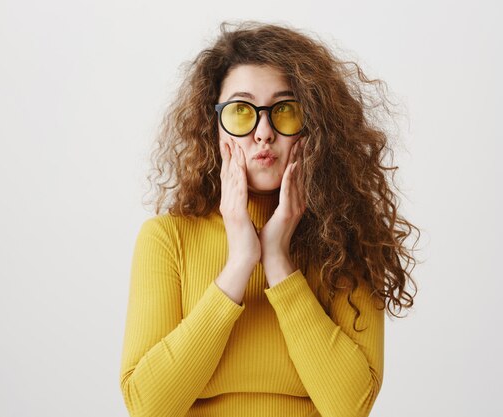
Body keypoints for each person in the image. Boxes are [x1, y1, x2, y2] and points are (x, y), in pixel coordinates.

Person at [119, 21, 419, 417]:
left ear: (315, 125)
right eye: (242, 111)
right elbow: (147, 405)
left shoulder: (351, 238)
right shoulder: (166, 237)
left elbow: (350, 407)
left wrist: (278, 261)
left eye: (285, 111)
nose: (263, 132)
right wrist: (241, 261)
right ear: (215, 125)